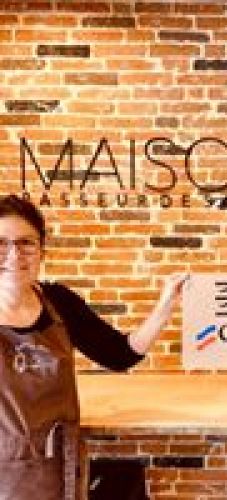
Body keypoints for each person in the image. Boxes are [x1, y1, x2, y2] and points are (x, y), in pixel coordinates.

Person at [0, 194, 187, 500]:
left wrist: (165, 305)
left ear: (42, 250)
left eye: (26, 243)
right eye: (1, 243)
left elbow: (120, 355)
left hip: (58, 470)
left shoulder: (59, 302)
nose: (14, 255)